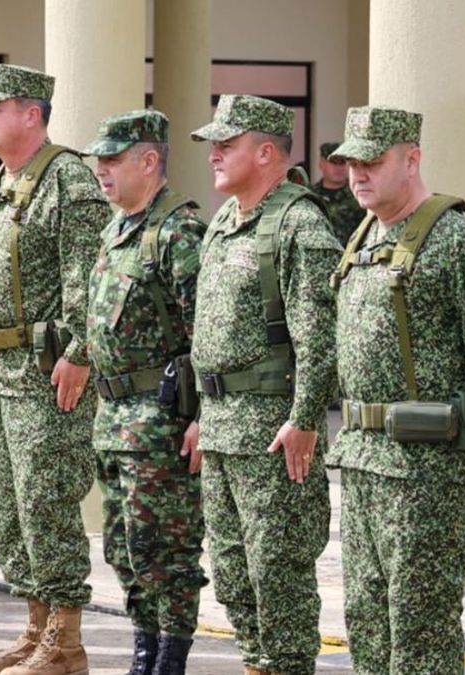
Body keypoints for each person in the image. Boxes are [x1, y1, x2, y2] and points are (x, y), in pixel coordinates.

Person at [0, 62, 110, 675]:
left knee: (47, 504)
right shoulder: (1, 183)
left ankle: (66, 643)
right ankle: (35, 628)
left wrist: (79, 355)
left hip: (47, 376)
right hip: (0, 372)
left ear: (33, 114)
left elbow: (88, 280)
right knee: (11, 507)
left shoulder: (66, 181)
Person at [326, 106, 465, 673]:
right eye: (350, 163)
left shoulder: (456, 241)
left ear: (412, 158)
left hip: (424, 471)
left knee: (419, 628)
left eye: (372, 161)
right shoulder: (365, 236)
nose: (358, 174)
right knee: (367, 620)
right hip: (363, 459)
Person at [189, 94, 339, 675]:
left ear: (267, 152)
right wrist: (204, 411)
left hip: (273, 430)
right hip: (223, 426)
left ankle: (285, 665)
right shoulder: (224, 221)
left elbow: (319, 337)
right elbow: (209, 331)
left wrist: (304, 420)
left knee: (277, 570)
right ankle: (257, 662)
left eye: (227, 146)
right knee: (230, 568)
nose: (215, 156)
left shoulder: (300, 223)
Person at [81, 109, 208, 675]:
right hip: (113, 417)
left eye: (112, 160)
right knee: (124, 547)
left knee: (166, 550)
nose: (102, 171)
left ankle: (170, 658)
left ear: (149, 160)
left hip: (160, 419)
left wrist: (203, 416)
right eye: (99, 161)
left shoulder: (178, 233)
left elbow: (206, 330)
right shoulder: (116, 229)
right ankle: (144, 645)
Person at [310, 141, 366, 245]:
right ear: (321, 164)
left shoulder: (360, 195)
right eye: (333, 162)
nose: (338, 168)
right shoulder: (309, 195)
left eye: (342, 163)